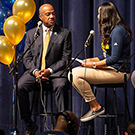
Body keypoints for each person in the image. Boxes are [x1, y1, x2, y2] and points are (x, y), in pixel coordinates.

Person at [69, 2, 133, 122]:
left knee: (75, 74)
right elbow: (106, 55)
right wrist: (90, 60)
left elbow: (114, 59)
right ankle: (95, 106)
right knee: (73, 72)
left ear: (105, 15)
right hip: (111, 69)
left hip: (119, 73)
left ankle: (96, 107)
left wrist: (93, 65)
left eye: (99, 14)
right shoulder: (113, 30)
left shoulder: (118, 31)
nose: (97, 17)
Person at [18, 3, 72, 135]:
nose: (52, 16)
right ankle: (29, 124)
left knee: (61, 85)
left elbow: (65, 59)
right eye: (48, 14)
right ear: (41, 17)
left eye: (53, 13)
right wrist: (36, 71)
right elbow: (27, 58)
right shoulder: (32, 34)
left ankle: (62, 127)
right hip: (35, 72)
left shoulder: (64, 33)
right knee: (20, 86)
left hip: (56, 73)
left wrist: (49, 70)